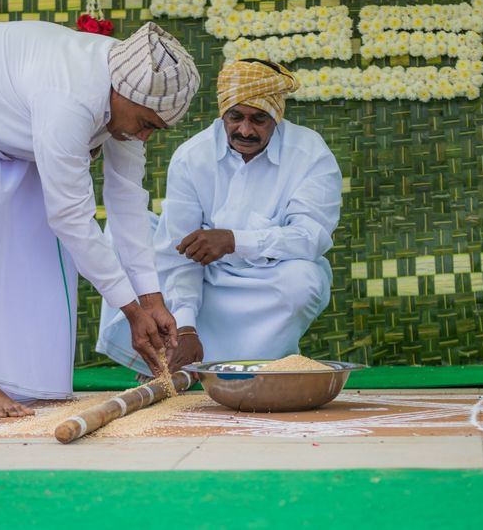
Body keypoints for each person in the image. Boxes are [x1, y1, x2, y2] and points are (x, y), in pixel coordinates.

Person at [0, 21, 200, 417]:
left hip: (1, 119)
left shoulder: (129, 91)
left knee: (44, 234)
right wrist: (130, 310)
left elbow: (126, 202)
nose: (145, 136)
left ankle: (34, 383)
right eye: (146, 124)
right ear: (119, 92)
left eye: (156, 129)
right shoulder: (70, 96)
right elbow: (72, 215)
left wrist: (152, 298)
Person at [96, 59, 342, 377]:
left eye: (259, 119)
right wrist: (185, 327)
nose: (245, 130)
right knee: (123, 233)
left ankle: (247, 368)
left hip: (267, 281)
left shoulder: (310, 154)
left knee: (304, 282)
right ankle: (172, 354)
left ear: (277, 117)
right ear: (222, 114)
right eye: (235, 117)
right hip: (202, 281)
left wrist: (233, 241)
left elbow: (311, 238)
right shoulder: (192, 157)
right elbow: (179, 252)